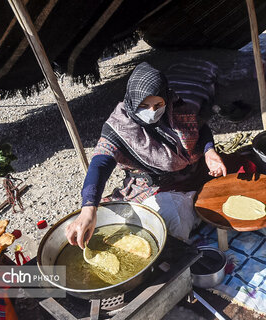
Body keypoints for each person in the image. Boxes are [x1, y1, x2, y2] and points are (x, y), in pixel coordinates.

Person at [65, 62, 226, 248]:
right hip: (154, 186)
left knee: (233, 183)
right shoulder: (120, 127)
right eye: (144, 105)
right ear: (133, 100)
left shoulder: (177, 108)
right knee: (163, 220)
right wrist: (88, 209)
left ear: (166, 96)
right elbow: (100, 163)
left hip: (195, 172)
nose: (152, 111)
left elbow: (201, 129)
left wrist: (209, 152)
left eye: (158, 104)